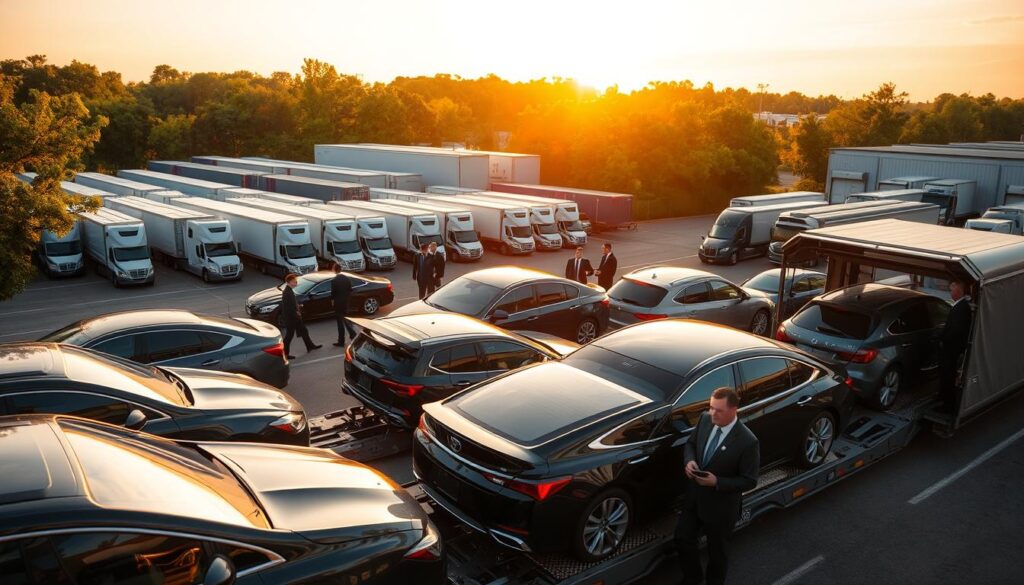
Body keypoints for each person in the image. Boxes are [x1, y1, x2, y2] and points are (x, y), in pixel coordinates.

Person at [676, 387, 760, 585]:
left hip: (721, 509)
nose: (712, 413)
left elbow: (749, 480)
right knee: (682, 538)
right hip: (695, 498)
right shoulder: (705, 419)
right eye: (711, 407)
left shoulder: (748, 442)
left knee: (717, 554)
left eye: (718, 410)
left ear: (734, 410)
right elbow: (690, 444)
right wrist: (689, 461)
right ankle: (693, 578)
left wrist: (717, 482)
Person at [939, 279, 973, 413]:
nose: (950, 292)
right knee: (946, 376)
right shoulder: (960, 306)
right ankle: (944, 400)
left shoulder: (961, 308)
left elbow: (956, 331)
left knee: (948, 377)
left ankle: (947, 406)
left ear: (958, 291)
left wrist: (944, 341)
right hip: (951, 349)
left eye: (952, 290)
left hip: (951, 350)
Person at [280, 273, 321, 359]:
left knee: (304, 331)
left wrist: (297, 306)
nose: (296, 283)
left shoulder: (289, 290)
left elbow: (291, 304)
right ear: (289, 282)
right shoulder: (287, 292)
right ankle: (284, 353)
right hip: (291, 318)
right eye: (295, 282)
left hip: (294, 317)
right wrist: (296, 312)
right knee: (289, 336)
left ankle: (310, 346)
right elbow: (288, 308)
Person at [330, 263, 356, 348]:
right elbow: (350, 290)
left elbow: (333, 293)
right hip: (345, 302)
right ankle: (352, 334)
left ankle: (341, 340)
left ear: (334, 269)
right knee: (345, 319)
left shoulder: (334, 281)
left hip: (338, 303)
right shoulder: (346, 279)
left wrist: (333, 301)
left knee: (340, 322)